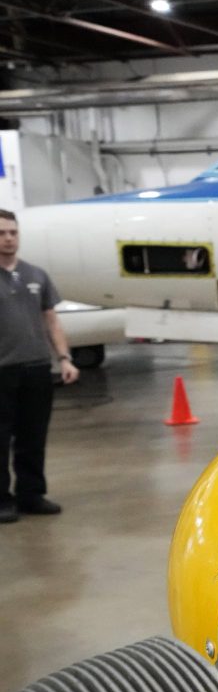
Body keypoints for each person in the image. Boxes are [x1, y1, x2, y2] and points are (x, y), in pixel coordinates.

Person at [0, 208, 79, 523]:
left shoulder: (36, 275)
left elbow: (52, 321)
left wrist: (64, 358)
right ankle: (2, 500)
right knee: (0, 438)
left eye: (13, 232)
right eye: (2, 233)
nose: (8, 239)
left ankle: (31, 495)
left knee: (33, 436)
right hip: (1, 372)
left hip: (35, 369)